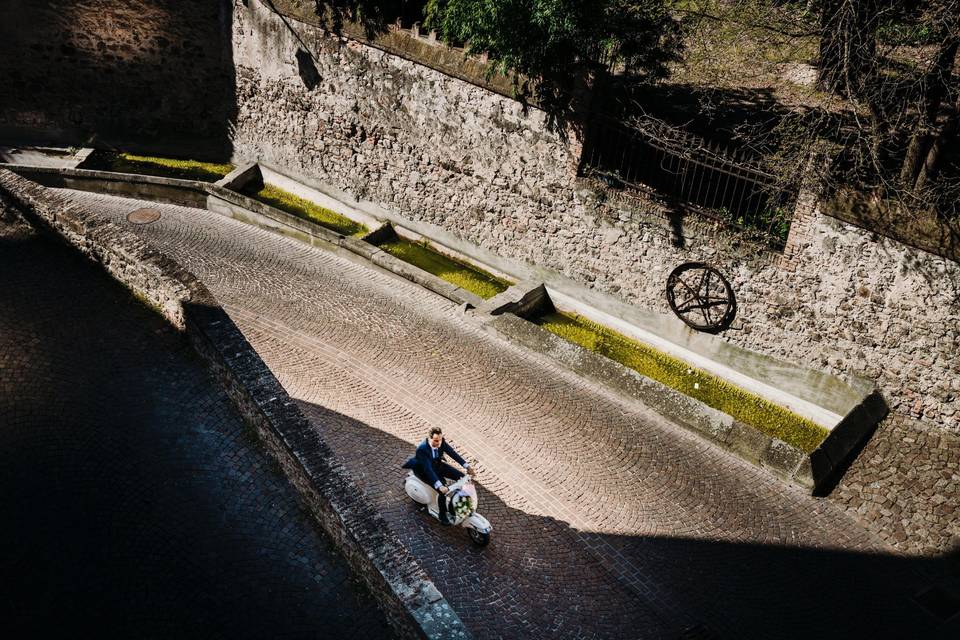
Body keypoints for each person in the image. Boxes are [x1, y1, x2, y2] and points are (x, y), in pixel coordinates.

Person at [404, 427, 475, 525]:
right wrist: (440, 485)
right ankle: (442, 514)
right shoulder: (422, 449)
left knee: (462, 477)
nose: (439, 443)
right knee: (443, 491)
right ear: (429, 439)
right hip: (424, 471)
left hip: (437, 465)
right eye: (436, 441)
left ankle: (463, 504)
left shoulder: (441, 441)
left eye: (440, 440)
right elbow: (428, 470)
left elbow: (452, 453)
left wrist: (467, 466)